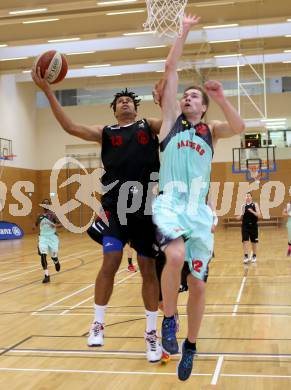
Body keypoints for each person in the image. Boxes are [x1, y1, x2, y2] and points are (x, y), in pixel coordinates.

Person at [31, 69, 163, 362]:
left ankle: (151, 334)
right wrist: (47, 91)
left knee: (148, 270)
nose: (126, 103)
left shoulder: (149, 126)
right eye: (121, 101)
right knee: (111, 261)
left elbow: (171, 124)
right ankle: (98, 323)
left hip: (147, 208)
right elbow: (70, 126)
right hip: (115, 207)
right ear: (114, 109)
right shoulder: (105, 133)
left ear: (136, 107)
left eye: (130, 100)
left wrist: (165, 100)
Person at [152, 14, 245, 381]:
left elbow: (240, 127)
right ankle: (169, 321)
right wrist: (184, 31)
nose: (188, 97)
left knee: (199, 283)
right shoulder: (171, 120)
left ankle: (191, 346)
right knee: (174, 255)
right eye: (185, 94)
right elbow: (170, 68)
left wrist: (221, 97)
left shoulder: (212, 130)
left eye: (195, 96)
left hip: (199, 212)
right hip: (170, 205)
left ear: (202, 107)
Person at [35, 198, 61, 283]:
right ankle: (46, 276)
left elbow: (60, 225)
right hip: (43, 238)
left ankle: (56, 262)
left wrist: (56, 226)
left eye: (47, 203)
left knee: (53, 256)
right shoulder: (40, 215)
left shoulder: (53, 215)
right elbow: (35, 225)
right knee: (43, 255)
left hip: (52, 237)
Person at [237, 192, 261, 264]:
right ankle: (246, 256)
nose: (247, 197)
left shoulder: (255, 204)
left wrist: (252, 211)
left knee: (254, 242)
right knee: (245, 241)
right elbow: (242, 216)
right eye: (246, 196)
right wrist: (239, 217)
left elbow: (259, 215)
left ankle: (254, 255)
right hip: (245, 226)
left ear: (251, 197)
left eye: (249, 196)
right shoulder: (243, 206)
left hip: (253, 226)